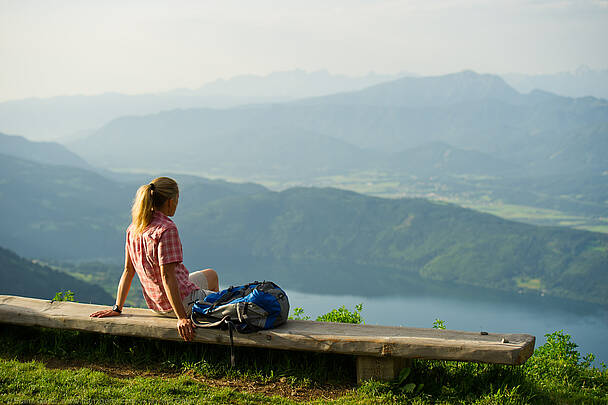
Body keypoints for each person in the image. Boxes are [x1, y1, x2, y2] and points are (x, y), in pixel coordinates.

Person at [90, 177, 219, 342]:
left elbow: (128, 271)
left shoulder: (134, 228)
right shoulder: (167, 229)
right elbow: (167, 277)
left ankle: (205, 317)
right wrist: (181, 317)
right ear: (170, 201)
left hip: (156, 305)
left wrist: (117, 308)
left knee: (211, 275)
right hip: (180, 303)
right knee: (230, 301)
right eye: (177, 200)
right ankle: (207, 323)